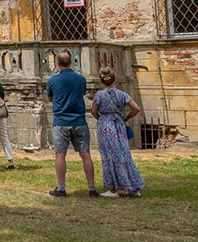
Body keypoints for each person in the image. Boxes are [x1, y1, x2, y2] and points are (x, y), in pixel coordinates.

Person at [47, 51, 98, 198]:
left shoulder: (53, 80)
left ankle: (61, 188)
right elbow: (81, 93)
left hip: (61, 121)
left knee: (60, 155)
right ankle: (91, 188)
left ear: (57, 63)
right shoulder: (81, 79)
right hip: (79, 120)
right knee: (86, 155)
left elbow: (50, 98)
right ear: (71, 62)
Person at [91, 67, 145, 197]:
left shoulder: (99, 95)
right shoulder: (122, 94)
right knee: (124, 154)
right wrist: (126, 117)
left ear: (102, 81)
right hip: (119, 124)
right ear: (114, 79)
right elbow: (136, 108)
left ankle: (113, 189)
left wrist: (101, 119)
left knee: (109, 156)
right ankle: (133, 187)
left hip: (106, 126)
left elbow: (93, 111)